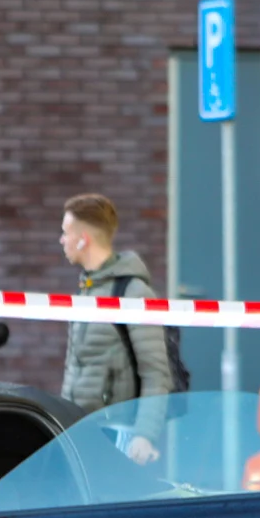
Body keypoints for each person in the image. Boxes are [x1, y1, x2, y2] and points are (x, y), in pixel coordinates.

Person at [57, 194, 173, 465]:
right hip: (79, 432)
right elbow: (74, 367)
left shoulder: (132, 293)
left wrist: (144, 436)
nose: (62, 240)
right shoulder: (85, 292)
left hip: (118, 438)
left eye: (65, 233)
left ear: (83, 239)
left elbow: (156, 374)